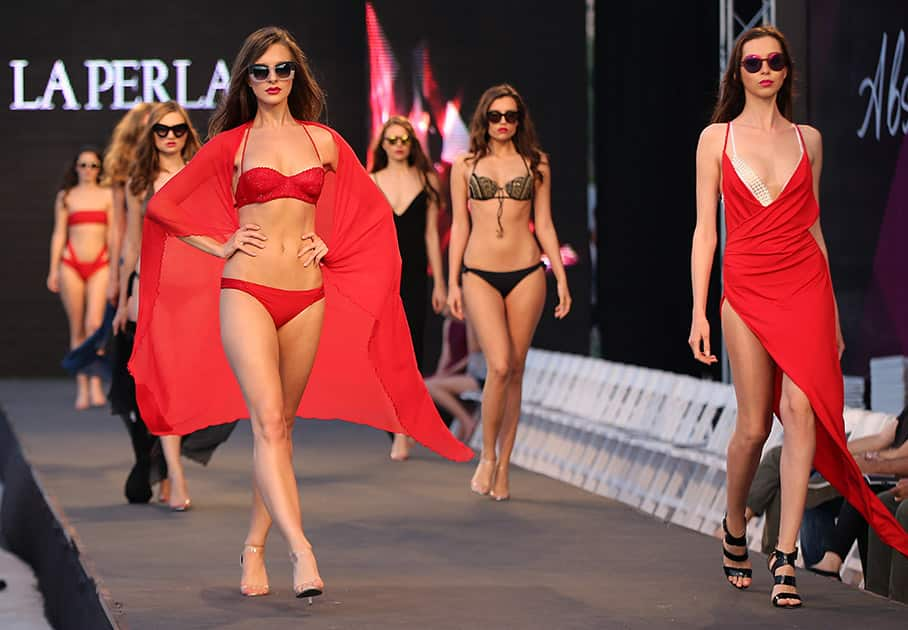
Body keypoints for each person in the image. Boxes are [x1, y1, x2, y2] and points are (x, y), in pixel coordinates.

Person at [130, 26, 471, 601]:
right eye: (260, 71)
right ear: (247, 79)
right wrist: (220, 244)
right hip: (246, 290)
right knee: (266, 422)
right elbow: (164, 205)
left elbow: (371, 215)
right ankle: (302, 551)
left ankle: (254, 548)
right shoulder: (232, 145)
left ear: (296, 76)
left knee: (281, 430)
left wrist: (331, 248)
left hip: (306, 295)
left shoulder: (325, 142)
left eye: (281, 69)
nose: (271, 80)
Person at [689, 25, 908, 608]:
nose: (763, 69)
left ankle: (785, 555)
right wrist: (698, 311)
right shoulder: (717, 138)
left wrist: (832, 311)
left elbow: (813, 228)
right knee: (754, 426)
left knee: (801, 408)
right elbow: (705, 230)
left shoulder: (809, 140)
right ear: (738, 72)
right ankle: (735, 524)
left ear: (787, 71)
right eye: (752, 60)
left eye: (774, 61)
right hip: (745, 288)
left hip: (804, 283)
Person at [448, 84, 571, 501]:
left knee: (515, 368)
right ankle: (486, 454)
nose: (503, 123)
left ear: (520, 121)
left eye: (511, 116)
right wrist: (451, 282)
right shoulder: (464, 165)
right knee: (498, 364)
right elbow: (460, 227)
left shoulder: (537, 164)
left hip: (527, 271)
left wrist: (562, 278)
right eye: (496, 116)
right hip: (479, 272)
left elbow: (546, 223)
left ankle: (504, 464)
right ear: (483, 119)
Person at [114, 101, 202, 510]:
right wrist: (122, 297)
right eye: (161, 130)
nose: (170, 137)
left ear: (188, 132)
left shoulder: (201, 175)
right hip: (150, 288)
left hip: (194, 289)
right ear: (150, 135)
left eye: (177, 129)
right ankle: (176, 477)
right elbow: (131, 243)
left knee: (187, 385)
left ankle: (167, 470)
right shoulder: (139, 182)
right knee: (162, 383)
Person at [369, 115, 447, 460]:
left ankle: (404, 427)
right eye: (392, 140)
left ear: (412, 144)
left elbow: (432, 234)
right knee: (384, 356)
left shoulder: (428, 180)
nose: (399, 145)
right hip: (381, 276)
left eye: (404, 140)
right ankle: (398, 428)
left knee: (411, 355)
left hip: (416, 276)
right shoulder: (370, 181)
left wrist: (441, 282)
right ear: (382, 146)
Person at [47, 147, 113, 410]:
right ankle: (82, 386)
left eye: (93, 166)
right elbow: (58, 234)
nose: (88, 170)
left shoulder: (108, 195)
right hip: (70, 263)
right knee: (76, 326)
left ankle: (96, 383)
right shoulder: (67, 196)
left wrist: (116, 270)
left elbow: (113, 235)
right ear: (75, 168)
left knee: (95, 324)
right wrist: (53, 269)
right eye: (84, 165)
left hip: (100, 262)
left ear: (100, 169)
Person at [104, 102, 154, 307]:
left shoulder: (174, 167)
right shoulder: (122, 170)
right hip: (133, 254)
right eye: (144, 129)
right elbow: (117, 226)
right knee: (117, 328)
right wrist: (114, 276)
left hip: (167, 254)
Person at [425, 315, 484, 443]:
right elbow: (446, 355)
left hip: (474, 376)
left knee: (429, 386)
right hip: (456, 376)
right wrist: (440, 375)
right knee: (424, 385)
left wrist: (451, 372)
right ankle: (412, 434)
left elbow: (473, 352)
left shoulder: (473, 321)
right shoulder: (449, 323)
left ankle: (467, 422)